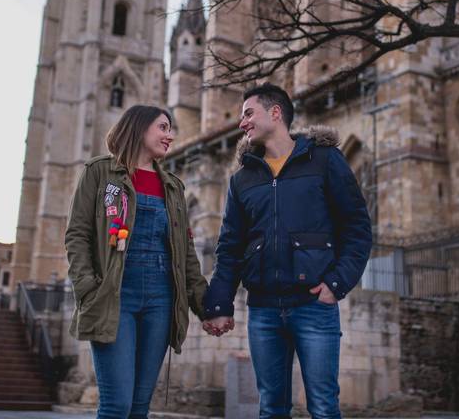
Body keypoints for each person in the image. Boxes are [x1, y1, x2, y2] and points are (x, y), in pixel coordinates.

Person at [202, 83, 373, 419]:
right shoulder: (242, 180)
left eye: (248, 113)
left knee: (323, 407)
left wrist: (336, 284)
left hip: (313, 305)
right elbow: (230, 247)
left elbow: (357, 228)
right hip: (263, 310)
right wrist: (219, 304)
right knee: (271, 408)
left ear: (275, 113)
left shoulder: (325, 160)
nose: (242, 123)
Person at [65, 105, 207, 419]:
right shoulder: (99, 172)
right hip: (115, 295)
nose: (170, 136)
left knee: (140, 408)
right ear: (139, 127)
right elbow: (77, 234)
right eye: (163, 127)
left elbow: (185, 254)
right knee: (117, 406)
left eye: (171, 129)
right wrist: (89, 289)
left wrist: (205, 305)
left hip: (160, 298)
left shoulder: (173, 186)